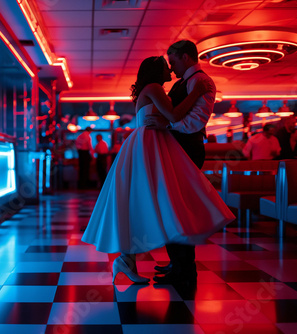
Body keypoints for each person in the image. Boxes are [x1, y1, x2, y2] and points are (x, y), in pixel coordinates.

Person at [81, 53, 235, 285]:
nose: (170, 71)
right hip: (151, 143)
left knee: (145, 200)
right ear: (156, 71)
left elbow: (169, 115)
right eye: (166, 66)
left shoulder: (151, 88)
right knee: (160, 199)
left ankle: (128, 259)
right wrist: (196, 92)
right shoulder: (154, 87)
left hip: (149, 142)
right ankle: (137, 259)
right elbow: (173, 115)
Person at [145, 40, 233, 285]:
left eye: (173, 62)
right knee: (172, 208)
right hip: (177, 146)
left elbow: (197, 122)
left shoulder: (201, 82)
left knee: (179, 209)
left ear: (185, 57)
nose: (171, 68)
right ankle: (179, 263)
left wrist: (168, 125)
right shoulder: (186, 82)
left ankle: (185, 269)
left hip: (188, 147)